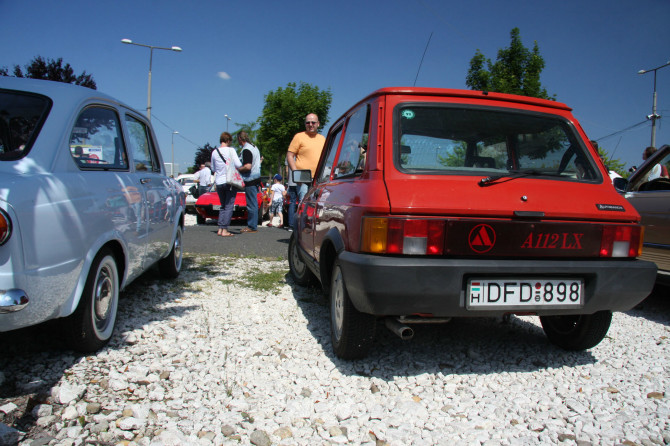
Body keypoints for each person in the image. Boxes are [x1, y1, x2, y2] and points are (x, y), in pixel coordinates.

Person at [286, 113, 326, 227]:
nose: (310, 124)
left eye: (313, 122)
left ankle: (314, 228)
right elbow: (290, 156)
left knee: (318, 204)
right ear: (305, 124)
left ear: (318, 124)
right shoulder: (299, 136)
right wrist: (295, 173)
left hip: (319, 177)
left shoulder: (322, 139)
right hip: (303, 177)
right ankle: (301, 229)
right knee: (304, 203)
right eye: (308, 122)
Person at [210, 132, 241, 237]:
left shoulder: (214, 152)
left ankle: (220, 228)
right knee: (229, 206)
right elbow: (238, 164)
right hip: (229, 181)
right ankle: (225, 229)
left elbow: (213, 168)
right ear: (228, 140)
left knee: (223, 205)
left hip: (218, 181)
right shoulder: (231, 150)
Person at [237, 131, 262, 233]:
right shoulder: (254, 147)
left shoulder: (246, 149)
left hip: (250, 179)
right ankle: (252, 225)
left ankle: (251, 226)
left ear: (240, 139)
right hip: (256, 178)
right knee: (254, 203)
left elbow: (247, 166)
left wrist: (237, 169)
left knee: (251, 204)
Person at [285, 156, 298, 231]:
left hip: (292, 182)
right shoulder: (301, 152)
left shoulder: (289, 155)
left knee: (292, 202)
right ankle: (300, 223)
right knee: (302, 202)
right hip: (301, 181)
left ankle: (291, 225)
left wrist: (288, 180)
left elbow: (287, 171)